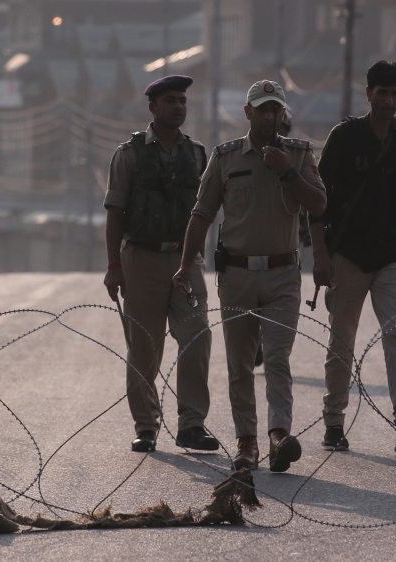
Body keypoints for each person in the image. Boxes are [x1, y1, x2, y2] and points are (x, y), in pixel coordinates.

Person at [173, 80, 326, 473]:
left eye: (275, 110)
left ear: (282, 114)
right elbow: (202, 214)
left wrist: (288, 172)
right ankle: (247, 443)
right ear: (248, 113)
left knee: (277, 358)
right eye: (262, 109)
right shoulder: (225, 158)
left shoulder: (299, 154)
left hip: (282, 276)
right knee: (240, 366)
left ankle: (279, 436)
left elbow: (320, 204)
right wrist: (186, 265)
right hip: (238, 275)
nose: (269, 116)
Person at [310, 61, 396, 454]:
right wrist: (320, 255)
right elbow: (315, 199)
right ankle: (333, 421)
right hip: (347, 254)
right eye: (383, 93)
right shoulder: (345, 137)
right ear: (369, 94)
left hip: (390, 255)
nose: (390, 101)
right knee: (342, 340)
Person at [103, 75, 219, 454]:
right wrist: (114, 266)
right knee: (144, 348)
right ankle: (147, 426)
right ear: (152, 107)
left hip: (185, 261)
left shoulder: (198, 154)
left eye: (183, 100)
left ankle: (191, 424)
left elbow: (209, 210)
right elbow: (115, 212)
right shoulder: (130, 154)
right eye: (170, 101)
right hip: (142, 258)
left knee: (197, 336)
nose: (178, 107)